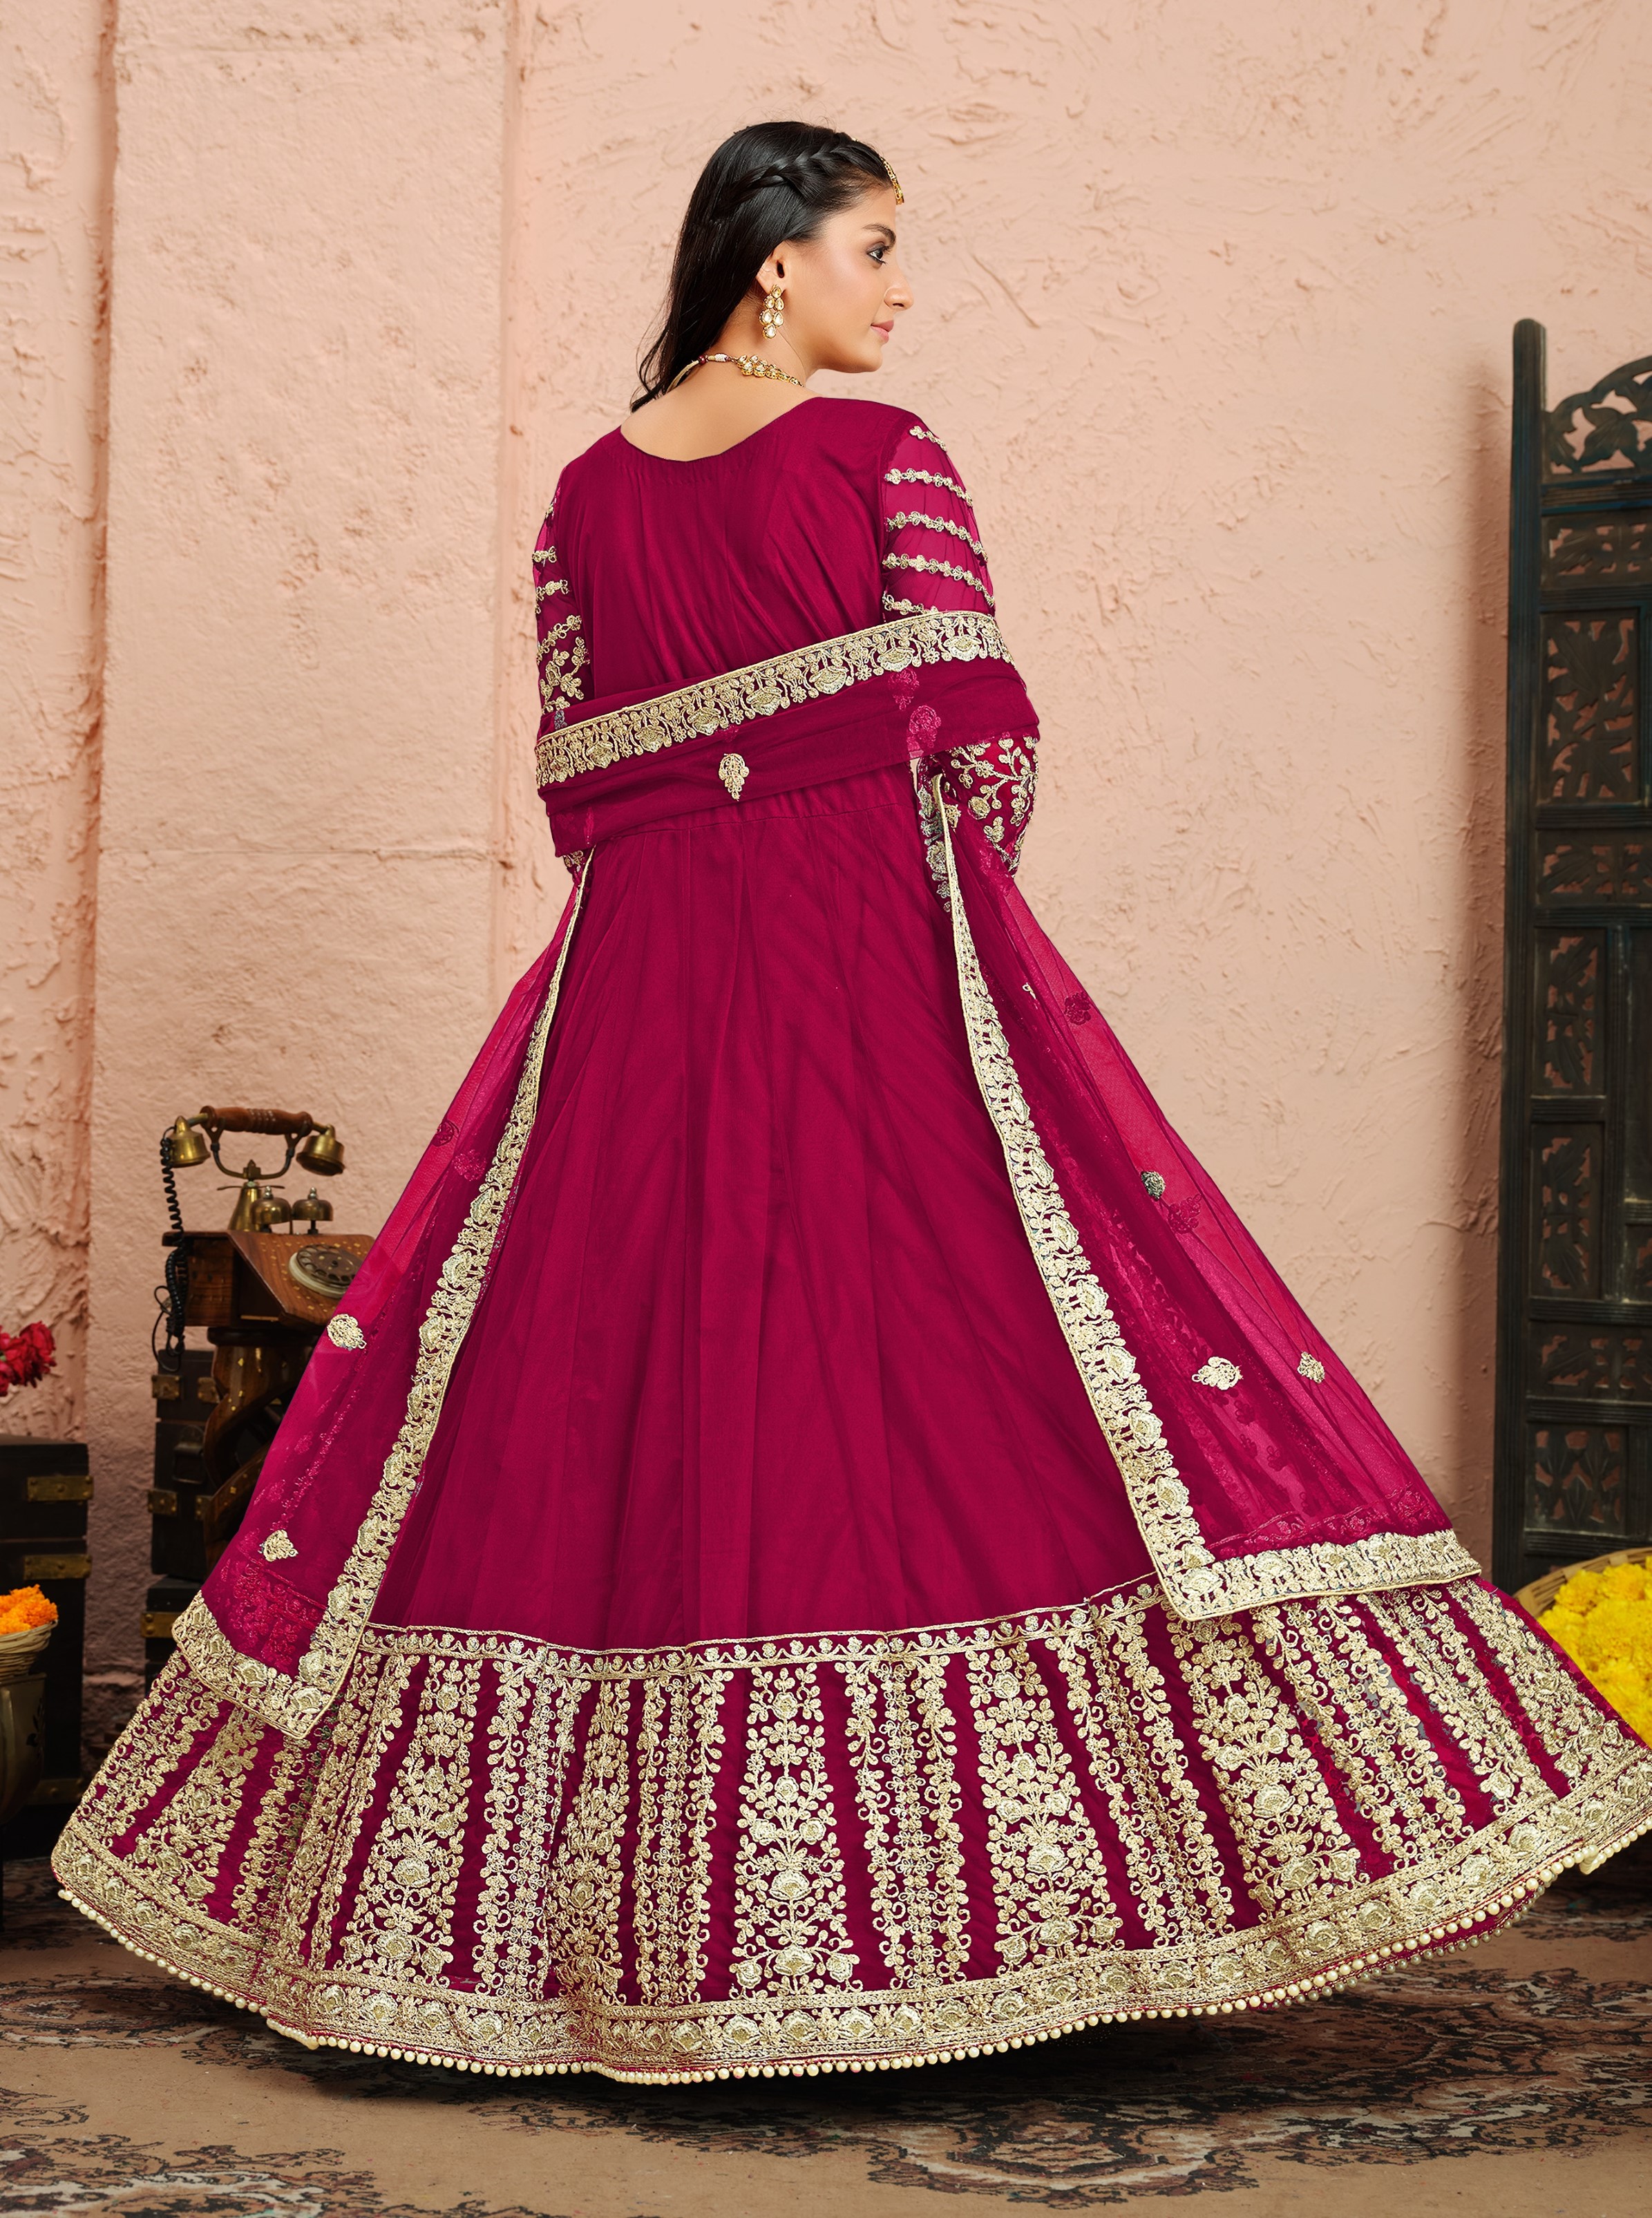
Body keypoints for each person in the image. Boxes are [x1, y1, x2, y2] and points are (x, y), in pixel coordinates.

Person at [55, 122, 1651, 2085]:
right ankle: (986, 1924)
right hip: (871, 971)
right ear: (774, 260)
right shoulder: (888, 461)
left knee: (605, 1391)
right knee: (963, 1371)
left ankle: (586, 1943)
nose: (898, 288)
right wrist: (922, 938)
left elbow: (577, 795)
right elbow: (984, 753)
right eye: (876, 247)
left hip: (635, 1006)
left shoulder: (580, 505)